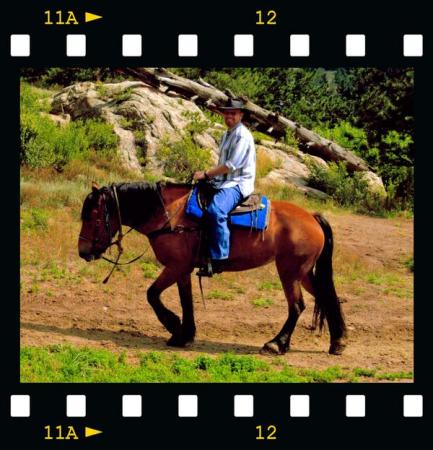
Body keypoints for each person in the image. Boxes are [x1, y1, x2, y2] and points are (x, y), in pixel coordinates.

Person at [193, 99, 256, 277]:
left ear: (241, 115)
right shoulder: (227, 134)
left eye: (233, 113)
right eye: (227, 113)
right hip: (222, 181)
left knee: (216, 210)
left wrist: (206, 174)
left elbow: (230, 165)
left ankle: (219, 258)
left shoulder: (242, 135)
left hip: (238, 183)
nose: (229, 116)